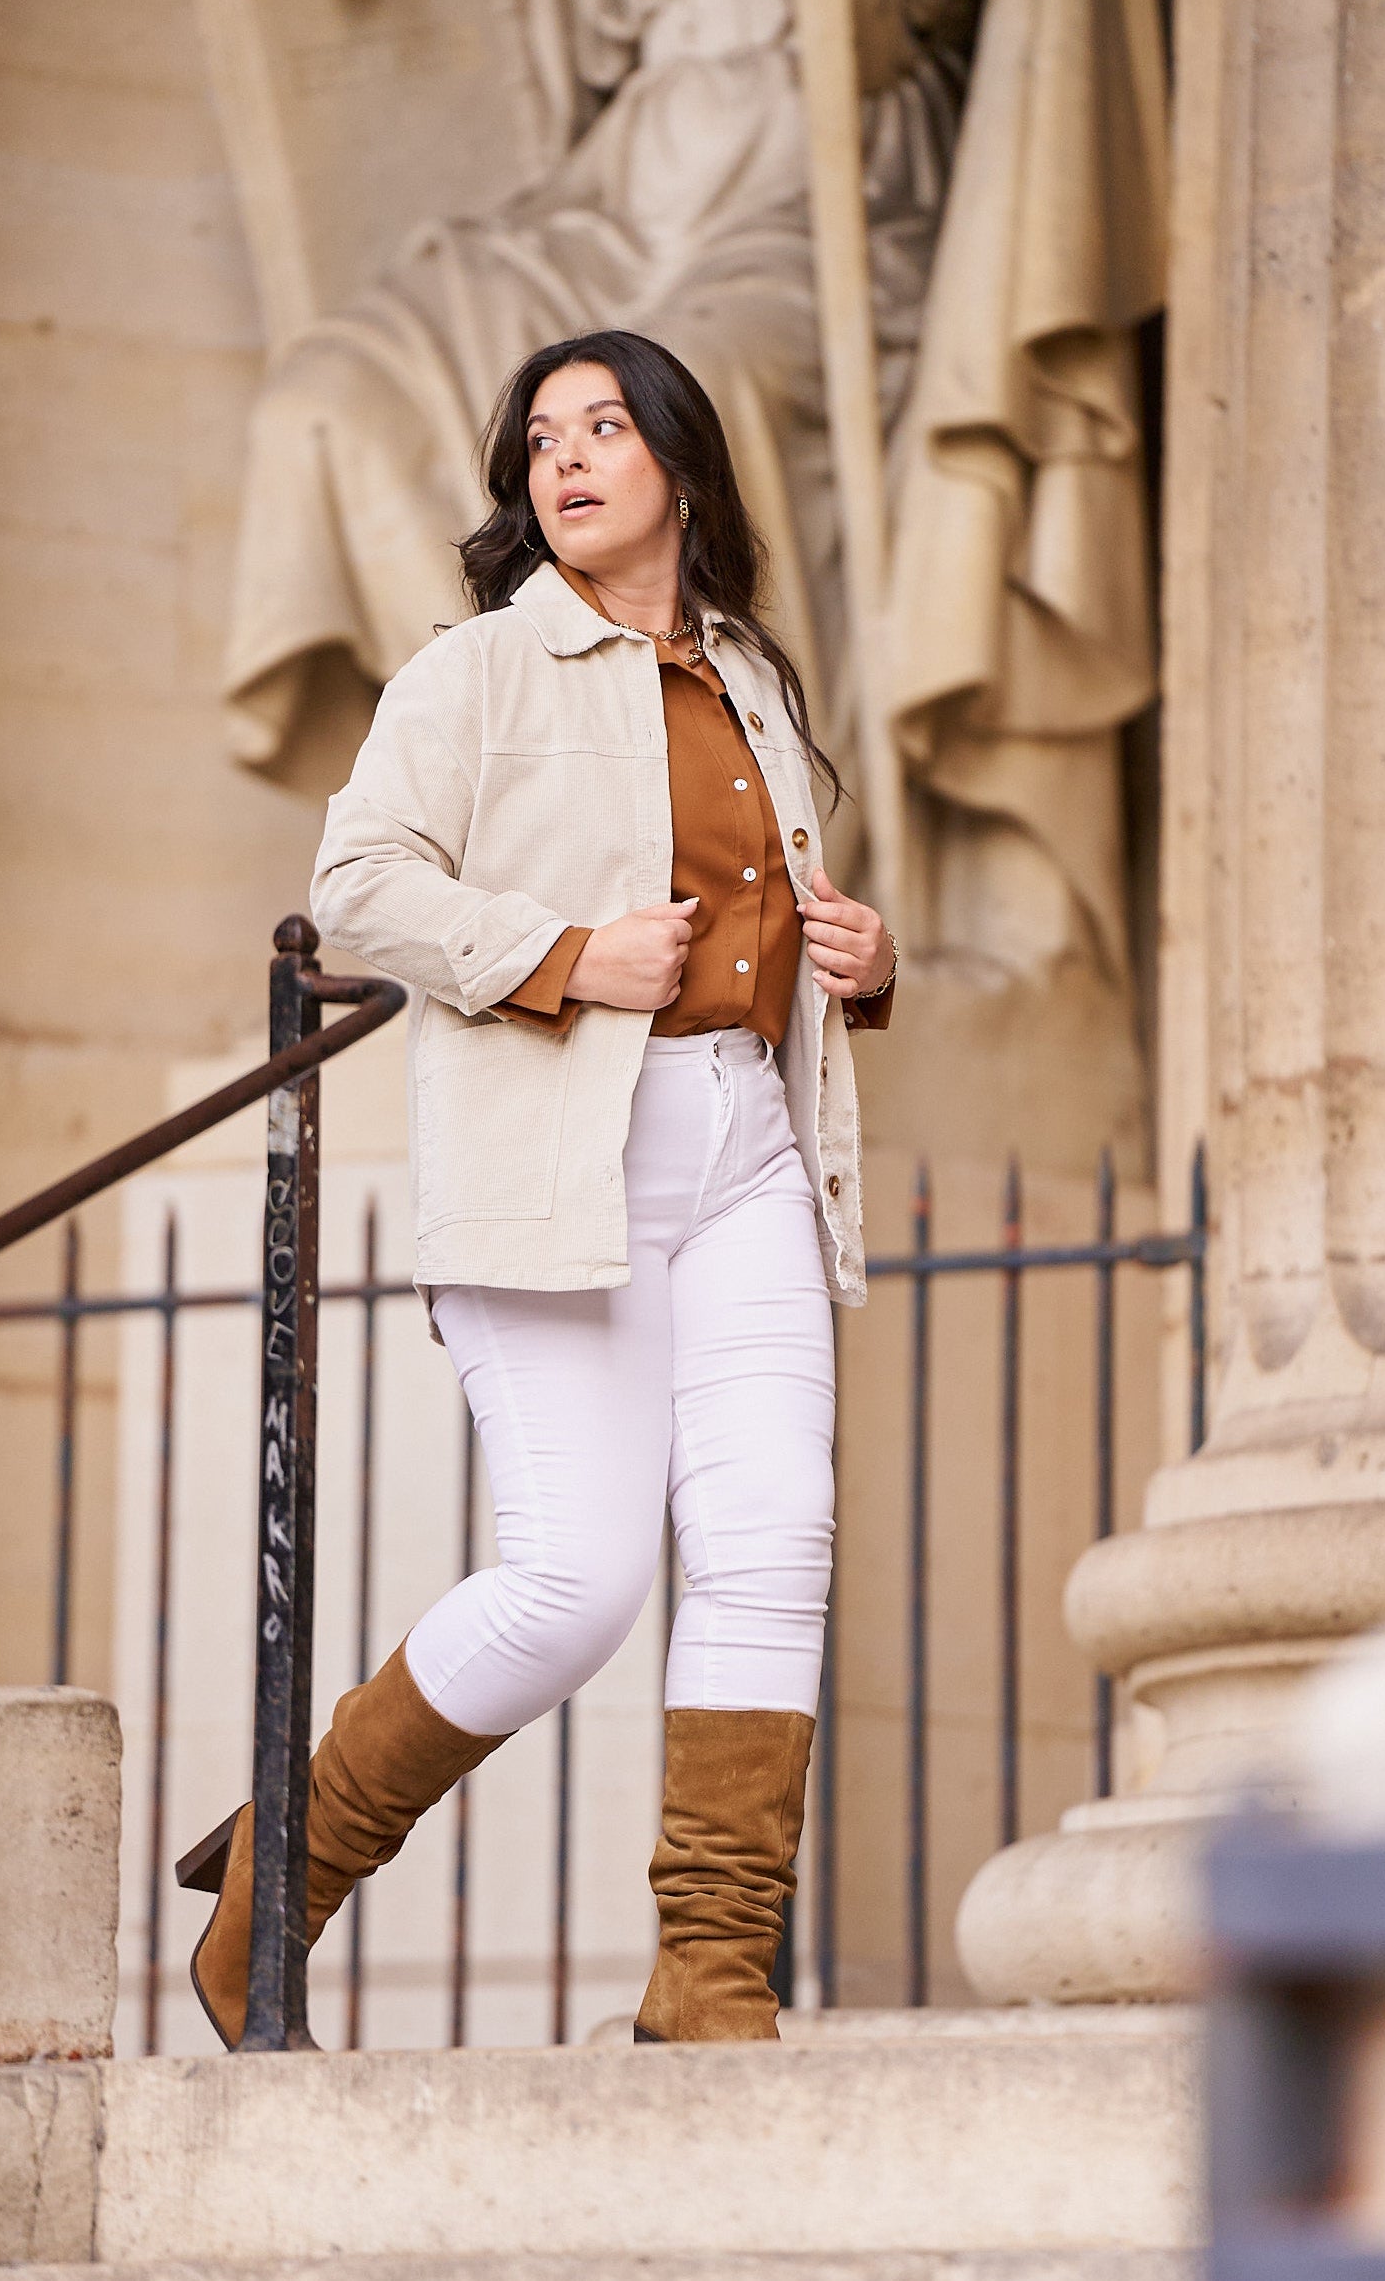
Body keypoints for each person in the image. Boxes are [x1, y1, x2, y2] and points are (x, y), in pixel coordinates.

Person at [183, 328, 895, 2048]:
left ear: (676, 463)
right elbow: (354, 884)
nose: (564, 458)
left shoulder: (755, 681)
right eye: (540, 438)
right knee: (574, 1579)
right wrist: (568, 953)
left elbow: (770, 930)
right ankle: (287, 1868)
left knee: (770, 1536)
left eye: (603, 427)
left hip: (746, 1144)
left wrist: (859, 968)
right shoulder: (474, 673)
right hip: (561, 1157)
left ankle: (710, 1980)